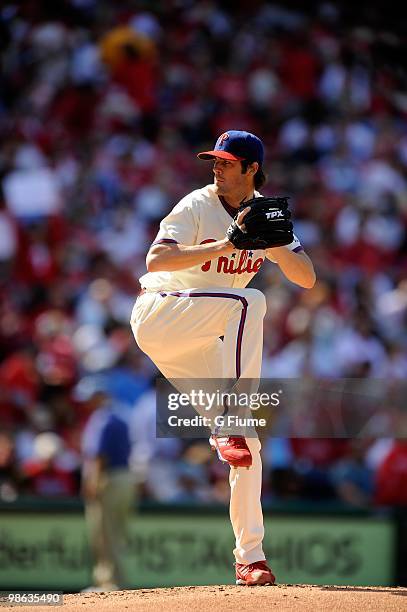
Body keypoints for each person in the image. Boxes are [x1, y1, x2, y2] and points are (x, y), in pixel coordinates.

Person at [130, 130, 316, 586]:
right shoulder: (198, 203)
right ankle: (229, 420)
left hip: (202, 339)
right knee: (250, 302)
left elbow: (308, 279)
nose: (216, 167)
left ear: (252, 169)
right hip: (162, 313)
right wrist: (227, 245)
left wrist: (279, 245)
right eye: (214, 160)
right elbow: (156, 259)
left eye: (228, 162)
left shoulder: (263, 213)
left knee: (247, 449)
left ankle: (249, 558)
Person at [75, 378, 135, 591]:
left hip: (108, 479)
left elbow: (98, 456)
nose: (86, 403)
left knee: (104, 534)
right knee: (116, 533)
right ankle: (114, 580)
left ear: (100, 396)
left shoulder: (101, 419)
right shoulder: (121, 416)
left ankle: (110, 583)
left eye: (90, 398)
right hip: (126, 478)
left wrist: (91, 482)